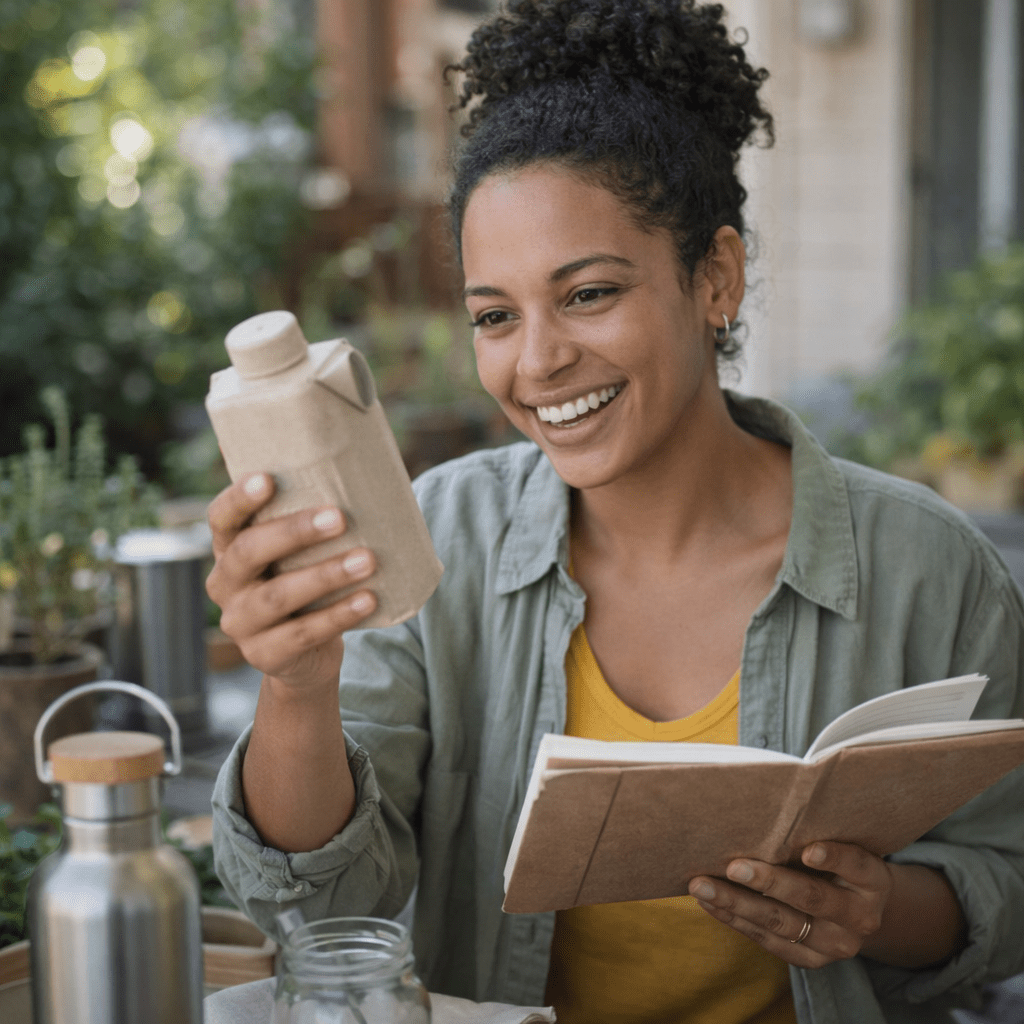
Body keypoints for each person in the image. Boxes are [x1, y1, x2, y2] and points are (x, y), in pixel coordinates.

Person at [207, 2, 1024, 1021]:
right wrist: (295, 684)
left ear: (713, 277)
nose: (536, 359)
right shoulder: (435, 542)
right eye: (494, 315)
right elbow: (325, 900)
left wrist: (878, 908)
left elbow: (1005, 878)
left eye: (588, 294)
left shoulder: (923, 564)